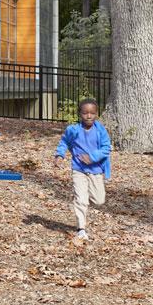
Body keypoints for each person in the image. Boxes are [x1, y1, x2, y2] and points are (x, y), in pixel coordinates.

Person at [53, 98, 111, 241]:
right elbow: (64, 142)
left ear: (96, 114)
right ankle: (81, 228)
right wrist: (59, 155)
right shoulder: (73, 130)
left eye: (92, 113)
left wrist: (92, 157)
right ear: (80, 114)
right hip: (78, 169)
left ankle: (86, 199)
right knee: (81, 199)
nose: (89, 116)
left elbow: (106, 148)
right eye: (85, 113)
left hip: (96, 170)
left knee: (99, 200)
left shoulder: (100, 131)